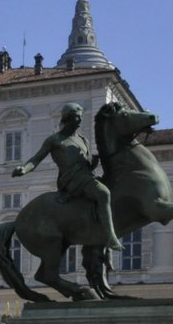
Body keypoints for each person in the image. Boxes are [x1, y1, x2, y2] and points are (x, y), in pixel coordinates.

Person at [10, 100, 123, 251]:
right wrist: (24, 169)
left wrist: (93, 162)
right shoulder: (54, 140)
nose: (80, 119)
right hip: (71, 181)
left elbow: (87, 164)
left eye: (81, 116)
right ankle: (110, 236)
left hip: (87, 177)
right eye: (77, 116)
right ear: (67, 118)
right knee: (103, 194)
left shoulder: (84, 140)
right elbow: (36, 159)